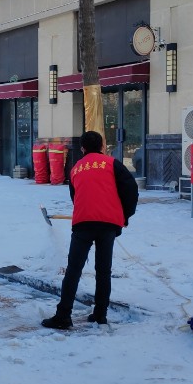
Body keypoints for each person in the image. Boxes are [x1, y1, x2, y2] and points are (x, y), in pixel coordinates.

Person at [42, 131, 138, 329]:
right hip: (108, 224)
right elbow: (131, 189)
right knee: (103, 270)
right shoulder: (112, 164)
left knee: (74, 270)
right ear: (102, 146)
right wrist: (125, 216)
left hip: (83, 223)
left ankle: (63, 315)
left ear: (82, 148)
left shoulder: (76, 168)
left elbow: (75, 196)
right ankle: (100, 314)